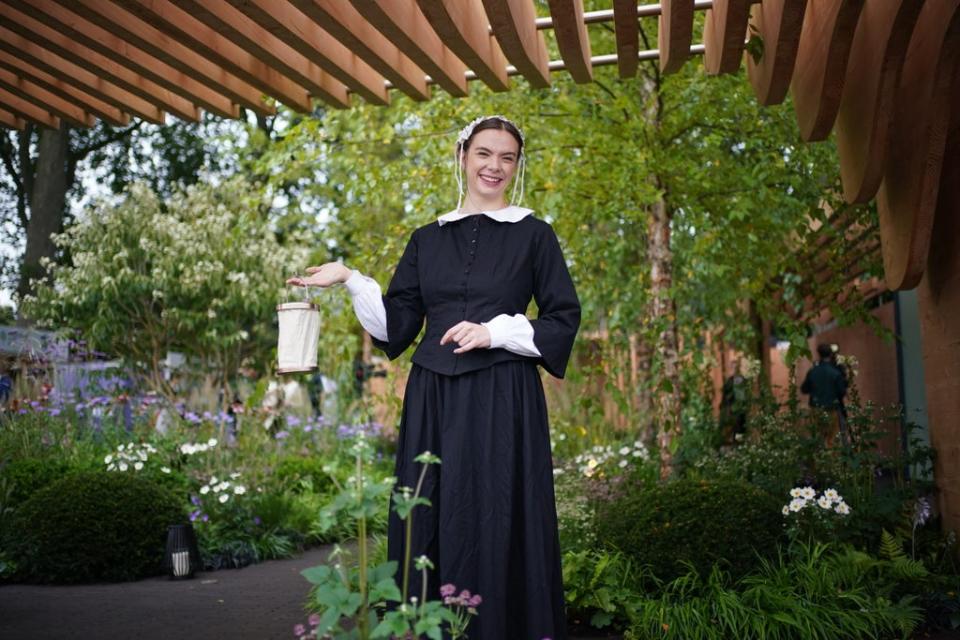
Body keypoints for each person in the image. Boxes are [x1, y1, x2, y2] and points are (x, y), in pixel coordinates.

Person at [288, 115, 580, 639]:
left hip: (502, 396)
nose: (494, 166)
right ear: (462, 156)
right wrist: (352, 280)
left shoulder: (535, 235)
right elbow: (397, 328)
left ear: (516, 167)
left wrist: (494, 333)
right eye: (484, 153)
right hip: (433, 398)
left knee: (496, 510)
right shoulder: (426, 240)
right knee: (430, 511)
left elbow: (562, 320)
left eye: (507, 157)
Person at [800, 343, 848, 442]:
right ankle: (831, 456)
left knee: (818, 438)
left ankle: (819, 456)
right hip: (832, 409)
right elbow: (842, 391)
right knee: (832, 439)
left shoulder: (813, 371)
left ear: (819, 354)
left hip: (816, 409)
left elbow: (804, 389)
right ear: (830, 354)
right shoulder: (836, 372)